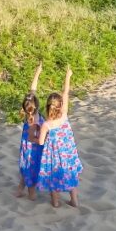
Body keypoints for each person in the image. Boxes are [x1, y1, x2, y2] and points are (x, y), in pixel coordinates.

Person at [36, 65, 83, 209]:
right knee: (71, 177)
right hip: (68, 155)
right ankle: (74, 201)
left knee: (53, 180)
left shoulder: (46, 125)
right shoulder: (64, 115)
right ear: (60, 106)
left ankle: (55, 203)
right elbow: (66, 93)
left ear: (47, 107)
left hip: (54, 158)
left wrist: (38, 132)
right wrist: (68, 76)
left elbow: (40, 142)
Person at [16, 62, 44, 199]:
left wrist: (37, 72)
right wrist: (42, 140)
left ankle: (20, 189)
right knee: (32, 171)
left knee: (26, 170)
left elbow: (32, 90)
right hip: (32, 149)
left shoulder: (29, 113)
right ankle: (31, 194)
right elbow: (32, 137)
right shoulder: (35, 119)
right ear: (37, 105)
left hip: (25, 148)